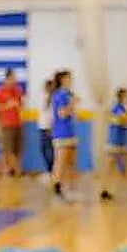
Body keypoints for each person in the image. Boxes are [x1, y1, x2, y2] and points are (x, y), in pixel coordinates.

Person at [101, 87, 127, 203]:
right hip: (114, 143)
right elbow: (124, 121)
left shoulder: (124, 109)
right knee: (110, 168)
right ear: (123, 97)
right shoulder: (117, 109)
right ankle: (104, 190)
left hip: (122, 143)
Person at [50, 71, 78, 201]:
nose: (70, 81)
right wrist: (72, 104)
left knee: (71, 163)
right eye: (68, 79)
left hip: (70, 132)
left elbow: (72, 114)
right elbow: (62, 114)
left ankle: (70, 189)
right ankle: (57, 189)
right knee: (60, 163)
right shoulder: (60, 95)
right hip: (62, 134)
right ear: (63, 80)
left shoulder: (67, 95)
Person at [0, 69, 24, 177]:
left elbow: (20, 105)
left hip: (17, 124)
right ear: (7, 78)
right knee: (7, 150)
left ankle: (13, 171)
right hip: (6, 125)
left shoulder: (17, 90)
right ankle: (17, 171)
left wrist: (18, 106)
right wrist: (7, 105)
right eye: (13, 77)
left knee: (17, 149)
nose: (15, 80)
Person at [37, 79, 55, 181]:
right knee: (43, 150)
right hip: (42, 128)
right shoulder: (43, 98)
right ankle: (49, 170)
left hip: (49, 128)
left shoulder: (53, 100)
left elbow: (51, 116)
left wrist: (50, 128)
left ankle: (51, 171)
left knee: (50, 151)